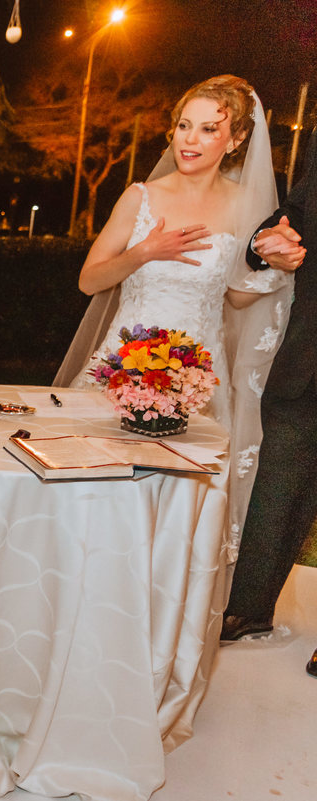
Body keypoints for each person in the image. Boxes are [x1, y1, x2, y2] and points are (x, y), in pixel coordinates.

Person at [56, 75, 290, 553]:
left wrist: (278, 270)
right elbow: (89, 280)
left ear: (237, 140)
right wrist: (144, 251)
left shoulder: (249, 207)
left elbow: (237, 297)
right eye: (185, 125)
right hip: (119, 372)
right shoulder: (141, 197)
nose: (190, 139)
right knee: (99, 500)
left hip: (199, 381)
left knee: (175, 521)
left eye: (208, 129)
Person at [220, 115, 315, 680]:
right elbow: (302, 207)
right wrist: (266, 241)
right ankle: (249, 608)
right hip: (308, 351)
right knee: (280, 481)